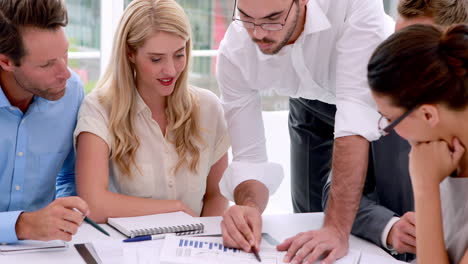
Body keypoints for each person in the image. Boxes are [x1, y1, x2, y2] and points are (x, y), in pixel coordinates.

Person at [216, 0, 393, 262]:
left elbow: (354, 117)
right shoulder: (235, 51)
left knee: (362, 214)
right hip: (308, 104)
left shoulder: (355, 4)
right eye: (246, 18)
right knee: (307, 216)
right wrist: (249, 207)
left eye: (273, 18)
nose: (258, 33)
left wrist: (336, 229)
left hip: (378, 98)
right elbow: (249, 160)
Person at [323, 0, 468, 261]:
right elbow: (338, 190)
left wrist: (425, 191)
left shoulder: (411, 118)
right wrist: (389, 228)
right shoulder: (394, 107)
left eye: (411, 56)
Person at [74, 0, 230, 223]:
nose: (171, 69)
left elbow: (217, 195)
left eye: (179, 54)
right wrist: (173, 209)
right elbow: (93, 204)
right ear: (130, 53)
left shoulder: (209, 107)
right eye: (156, 59)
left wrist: (204, 242)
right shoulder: (99, 108)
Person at [368, 23, 468, 264]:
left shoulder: (431, 165)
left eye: (390, 120)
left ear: (427, 115)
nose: (388, 131)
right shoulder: (445, 154)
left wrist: (425, 188)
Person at [0, 0, 89, 243]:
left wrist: (64, 215)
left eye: (65, 54)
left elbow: (70, 176)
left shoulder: (71, 94)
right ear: (6, 62)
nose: (65, 73)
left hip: (45, 249)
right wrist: (21, 225)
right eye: (47, 64)